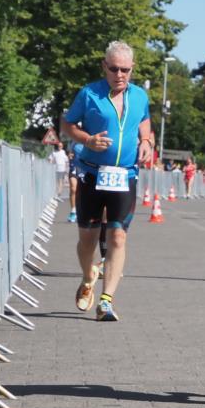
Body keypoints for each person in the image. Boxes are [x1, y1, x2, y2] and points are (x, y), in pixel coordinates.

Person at [61, 41, 153, 321]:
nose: (120, 74)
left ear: (132, 69)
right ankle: (88, 276)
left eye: (125, 69)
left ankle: (106, 300)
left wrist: (147, 140)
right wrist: (87, 139)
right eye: (114, 68)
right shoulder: (89, 94)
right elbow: (67, 125)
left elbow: (144, 122)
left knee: (117, 235)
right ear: (104, 67)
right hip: (91, 172)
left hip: (124, 176)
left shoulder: (139, 97)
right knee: (87, 239)